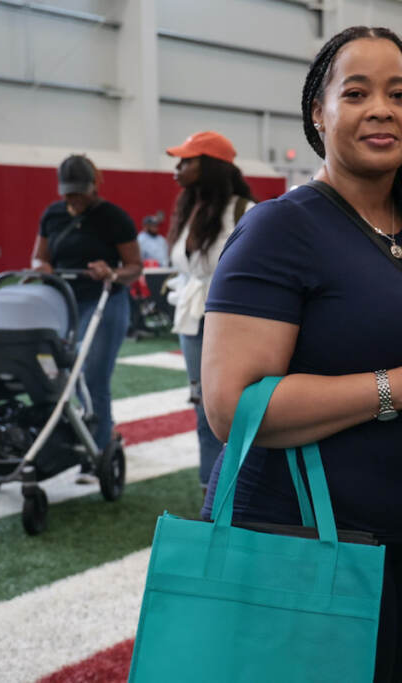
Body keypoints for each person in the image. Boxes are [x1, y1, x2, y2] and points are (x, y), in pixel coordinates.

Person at [200, 26, 402, 682]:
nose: (381, 109)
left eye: (400, 93)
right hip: (299, 546)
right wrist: (401, 387)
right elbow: (231, 405)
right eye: (356, 92)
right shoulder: (281, 228)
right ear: (318, 112)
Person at [31, 154, 142, 482]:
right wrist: (42, 269)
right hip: (63, 302)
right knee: (54, 374)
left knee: (93, 377)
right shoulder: (52, 215)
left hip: (105, 302)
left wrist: (111, 272)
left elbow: (134, 268)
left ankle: (98, 449)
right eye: (68, 193)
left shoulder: (113, 218)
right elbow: (39, 257)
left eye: (79, 192)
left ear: (94, 187)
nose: (73, 199)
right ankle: (77, 435)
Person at [164, 130, 257, 492]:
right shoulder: (189, 210)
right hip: (192, 319)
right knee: (203, 408)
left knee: (232, 407)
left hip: (232, 321)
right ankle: (211, 486)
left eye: (187, 160)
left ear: (212, 166)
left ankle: (244, 484)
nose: (178, 167)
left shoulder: (245, 211)